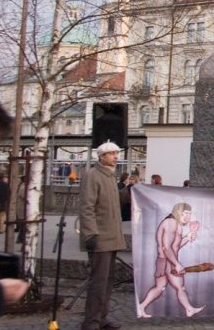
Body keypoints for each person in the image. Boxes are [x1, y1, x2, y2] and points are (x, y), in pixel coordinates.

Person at [79, 141, 127, 330]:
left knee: (107, 282)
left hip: (112, 237)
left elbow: (115, 202)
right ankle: (91, 322)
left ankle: (101, 318)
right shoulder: (93, 175)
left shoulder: (109, 176)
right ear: (101, 156)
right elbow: (87, 207)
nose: (116, 157)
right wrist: (90, 234)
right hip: (100, 238)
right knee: (98, 283)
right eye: (112, 154)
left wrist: (130, 191)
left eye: (117, 153)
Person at [137, 203, 206, 318]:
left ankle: (141, 306)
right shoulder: (171, 223)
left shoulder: (175, 224)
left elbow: (175, 246)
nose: (188, 217)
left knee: (160, 287)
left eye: (189, 214)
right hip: (168, 261)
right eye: (186, 213)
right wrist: (176, 264)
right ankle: (189, 309)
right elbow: (166, 248)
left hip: (165, 260)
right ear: (178, 212)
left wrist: (187, 237)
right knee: (180, 287)